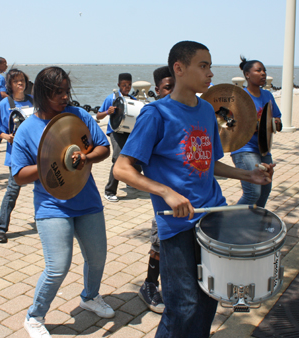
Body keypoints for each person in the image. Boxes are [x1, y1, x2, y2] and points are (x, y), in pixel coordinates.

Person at [113, 41, 274, 337]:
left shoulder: (206, 111)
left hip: (212, 216)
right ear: (179, 69)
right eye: (203, 66)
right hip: (177, 225)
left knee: (209, 297)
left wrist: (247, 175)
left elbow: (209, 162)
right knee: (182, 305)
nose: (210, 73)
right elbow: (122, 169)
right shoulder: (156, 114)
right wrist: (166, 192)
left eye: (210, 66)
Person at [11, 67, 114, 338]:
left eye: (67, 91)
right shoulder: (27, 130)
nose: (65, 97)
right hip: (51, 206)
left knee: (97, 257)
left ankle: (90, 297)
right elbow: (19, 176)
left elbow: (104, 147)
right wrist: (48, 163)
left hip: (88, 201)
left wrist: (87, 157)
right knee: (58, 266)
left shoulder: (78, 117)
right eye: (58, 92)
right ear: (42, 94)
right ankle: (34, 316)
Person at [138, 66, 174, 314]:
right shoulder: (153, 115)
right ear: (157, 91)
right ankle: (149, 284)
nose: (172, 92)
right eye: (167, 88)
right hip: (165, 199)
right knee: (159, 243)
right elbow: (129, 165)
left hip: (191, 196)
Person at [231, 57, 282, 207]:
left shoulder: (268, 96)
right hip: (244, 149)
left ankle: (254, 223)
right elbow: (231, 124)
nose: (263, 73)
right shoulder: (240, 97)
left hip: (264, 149)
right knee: (253, 193)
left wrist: (276, 123)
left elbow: (277, 119)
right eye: (258, 70)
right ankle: (228, 222)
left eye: (264, 70)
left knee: (265, 189)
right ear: (247, 74)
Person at [0, 69, 33, 244]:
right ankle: (0, 228)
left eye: (22, 80)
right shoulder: (4, 104)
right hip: (16, 156)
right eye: (16, 81)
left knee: (46, 187)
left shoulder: (33, 101)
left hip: (36, 154)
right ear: (10, 84)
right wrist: (7, 137)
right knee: (12, 191)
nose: (20, 84)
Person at [96, 73, 141, 202]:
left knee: (134, 156)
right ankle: (109, 191)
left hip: (129, 132)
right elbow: (98, 116)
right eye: (124, 85)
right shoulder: (111, 99)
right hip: (115, 132)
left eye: (129, 85)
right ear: (118, 85)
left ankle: (130, 181)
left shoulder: (133, 100)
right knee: (117, 159)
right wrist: (107, 112)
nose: (127, 88)